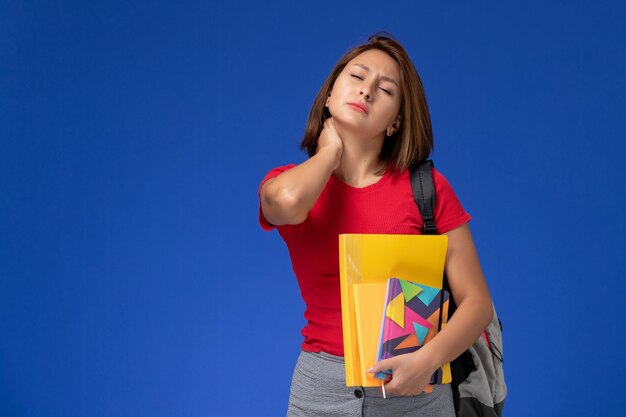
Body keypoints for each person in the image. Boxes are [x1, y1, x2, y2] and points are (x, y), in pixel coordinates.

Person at [258, 33, 493, 417]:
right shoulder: (291, 182)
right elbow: (285, 204)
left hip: (416, 388)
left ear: (396, 120)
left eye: (385, 89)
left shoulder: (427, 189)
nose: (366, 91)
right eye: (356, 77)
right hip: (321, 390)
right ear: (329, 96)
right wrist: (331, 151)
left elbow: (477, 303)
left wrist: (427, 360)